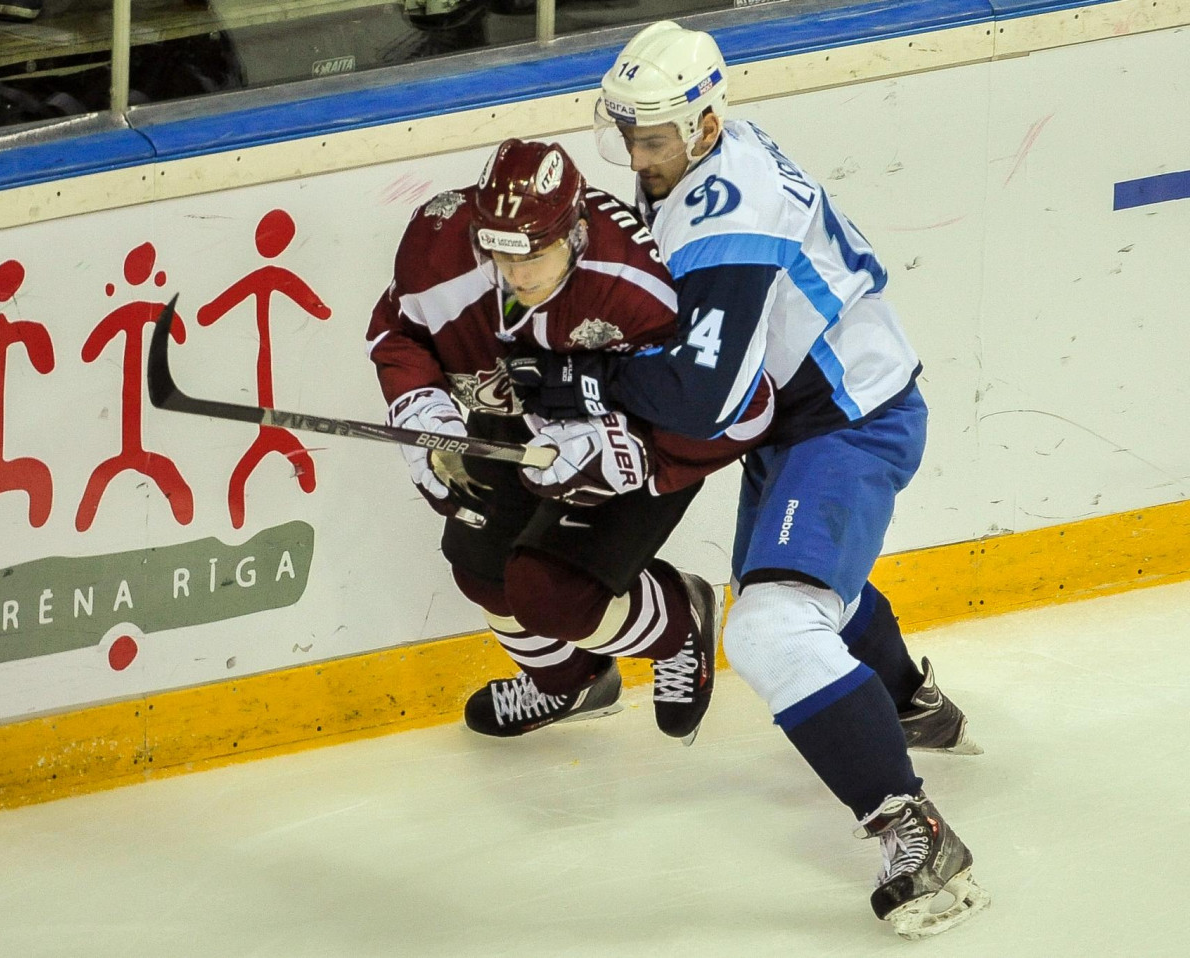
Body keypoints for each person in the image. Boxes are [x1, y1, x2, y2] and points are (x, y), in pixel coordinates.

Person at [506, 21, 988, 940]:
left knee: (773, 625)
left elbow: (700, 399)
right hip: (804, 421)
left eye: (654, 138)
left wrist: (582, 378)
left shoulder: (731, 212)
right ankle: (906, 703)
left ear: (706, 123)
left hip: (850, 420)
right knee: (791, 595)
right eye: (627, 135)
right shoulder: (697, 159)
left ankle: (917, 834)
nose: (637, 157)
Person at [366, 137, 773, 745]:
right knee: (481, 570)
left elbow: (741, 405)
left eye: (536, 256)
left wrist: (639, 458)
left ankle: (679, 622)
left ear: (577, 232)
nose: (518, 276)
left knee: (551, 595)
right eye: (501, 254)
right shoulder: (437, 241)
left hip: (631, 435)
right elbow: (399, 332)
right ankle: (573, 685)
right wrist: (423, 411)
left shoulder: (638, 286)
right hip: (524, 415)